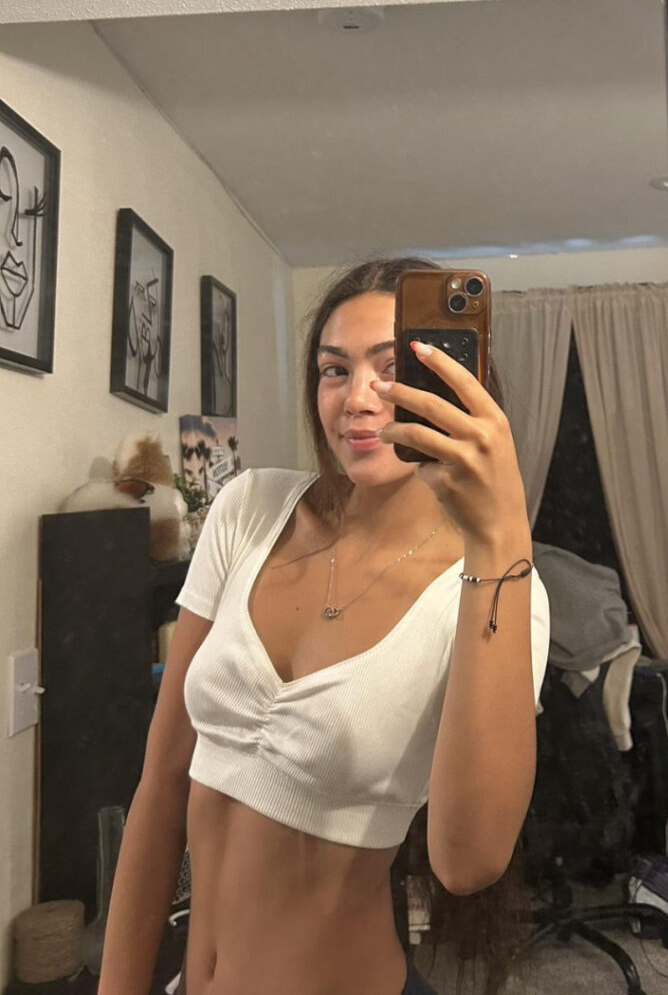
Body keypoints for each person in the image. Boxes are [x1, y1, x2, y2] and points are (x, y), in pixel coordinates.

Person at [99, 257, 550, 995]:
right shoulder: (248, 509)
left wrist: (499, 537)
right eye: (335, 370)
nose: (358, 400)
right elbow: (161, 783)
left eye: (394, 369)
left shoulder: (493, 587)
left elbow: (468, 863)